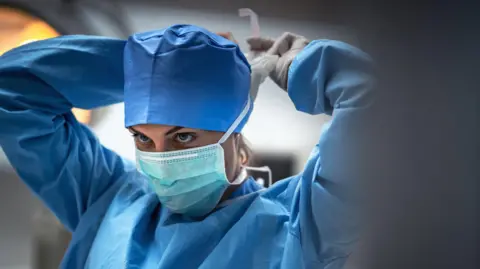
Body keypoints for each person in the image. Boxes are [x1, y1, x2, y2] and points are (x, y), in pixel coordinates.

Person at [0, 24, 372, 268]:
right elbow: (11, 88)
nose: (160, 161)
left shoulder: (298, 228)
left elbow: (380, 110)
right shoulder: (108, 195)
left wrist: (304, 67)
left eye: (182, 137)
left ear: (232, 131)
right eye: (143, 138)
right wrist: (150, 66)